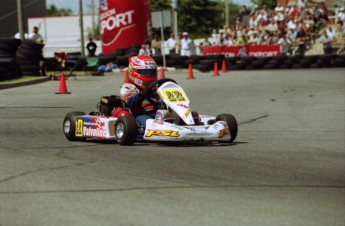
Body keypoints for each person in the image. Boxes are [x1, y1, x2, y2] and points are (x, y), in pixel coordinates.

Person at [120, 55, 159, 129]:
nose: (150, 75)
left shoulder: (156, 87)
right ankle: (155, 129)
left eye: (152, 72)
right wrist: (141, 95)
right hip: (140, 115)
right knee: (147, 121)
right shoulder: (128, 87)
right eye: (146, 72)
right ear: (134, 72)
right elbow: (130, 102)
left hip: (157, 113)